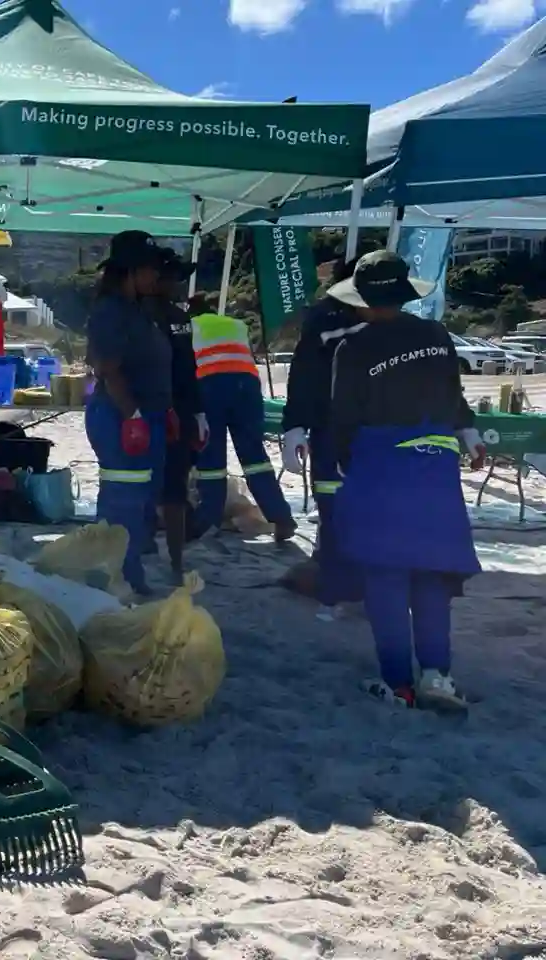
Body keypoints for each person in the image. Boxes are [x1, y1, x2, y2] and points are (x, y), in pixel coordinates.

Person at [326, 251, 484, 711]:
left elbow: (343, 416)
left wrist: (338, 463)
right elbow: (454, 398)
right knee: (432, 571)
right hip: (436, 464)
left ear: (362, 301)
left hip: (381, 464)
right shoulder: (436, 335)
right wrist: (469, 434)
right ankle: (438, 674)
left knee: (386, 575)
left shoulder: (352, 347)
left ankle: (397, 683)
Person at [84, 231, 173, 596]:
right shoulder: (111, 311)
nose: (156, 277)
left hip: (142, 414)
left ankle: (128, 576)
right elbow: (108, 368)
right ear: (130, 271)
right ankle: (115, 580)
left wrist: (162, 409)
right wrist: (133, 416)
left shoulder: (137, 309)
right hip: (120, 417)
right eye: (151, 269)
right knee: (123, 505)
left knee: (140, 504)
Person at [281, 257, 364, 617]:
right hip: (332, 430)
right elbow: (305, 373)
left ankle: (356, 585)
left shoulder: (387, 322)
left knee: (360, 511)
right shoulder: (325, 319)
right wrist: (295, 425)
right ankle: (333, 589)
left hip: (369, 432)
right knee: (332, 508)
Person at [187, 299, 297, 541]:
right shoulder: (236, 325)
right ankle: (281, 518)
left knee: (211, 457)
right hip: (247, 386)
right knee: (255, 457)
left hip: (211, 386)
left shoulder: (191, 326)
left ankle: (207, 520)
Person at [149, 248, 209, 581]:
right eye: (173, 278)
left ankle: (174, 559)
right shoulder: (140, 317)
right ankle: (148, 551)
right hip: (151, 411)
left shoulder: (178, 319)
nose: (178, 285)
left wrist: (198, 412)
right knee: (149, 488)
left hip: (178, 414)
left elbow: (189, 370)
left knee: (173, 489)